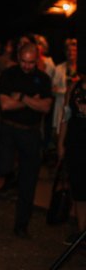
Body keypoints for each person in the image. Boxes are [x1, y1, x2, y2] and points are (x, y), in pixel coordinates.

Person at [0, 42, 52, 238]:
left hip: (31, 133)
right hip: (9, 130)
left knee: (28, 181)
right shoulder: (9, 74)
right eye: (23, 61)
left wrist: (21, 97)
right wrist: (33, 101)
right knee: (4, 167)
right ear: (18, 58)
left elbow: (46, 107)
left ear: (37, 60)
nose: (27, 66)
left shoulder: (44, 79)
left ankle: (21, 226)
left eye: (31, 63)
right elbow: (5, 105)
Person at [57, 70, 86, 245]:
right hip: (76, 146)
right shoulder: (74, 88)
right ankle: (81, 231)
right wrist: (61, 143)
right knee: (79, 190)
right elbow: (66, 117)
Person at [52, 39, 79, 135]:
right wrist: (66, 91)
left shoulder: (82, 69)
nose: (71, 53)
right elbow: (53, 90)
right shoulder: (59, 68)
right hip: (61, 107)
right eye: (68, 50)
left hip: (79, 109)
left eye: (74, 50)